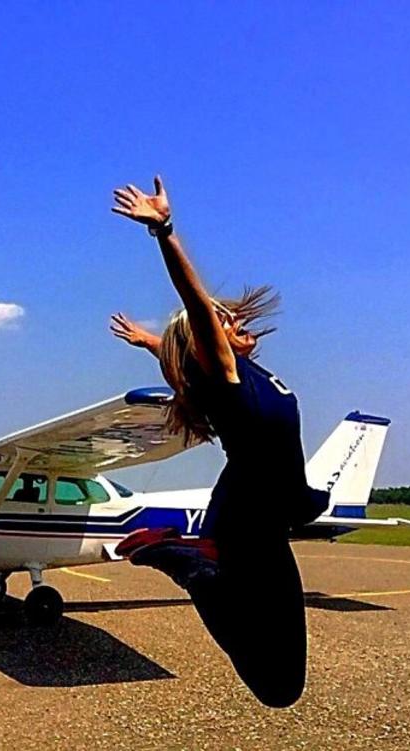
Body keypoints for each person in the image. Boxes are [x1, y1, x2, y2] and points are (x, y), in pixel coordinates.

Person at [109, 176, 328, 708]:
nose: (231, 319)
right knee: (277, 689)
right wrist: (165, 232)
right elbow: (196, 309)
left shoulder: (244, 375)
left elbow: (183, 347)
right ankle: (183, 561)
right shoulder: (226, 377)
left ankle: (192, 564)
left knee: (282, 684)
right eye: (220, 322)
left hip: (266, 525)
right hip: (243, 526)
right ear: (208, 344)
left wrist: (150, 342)